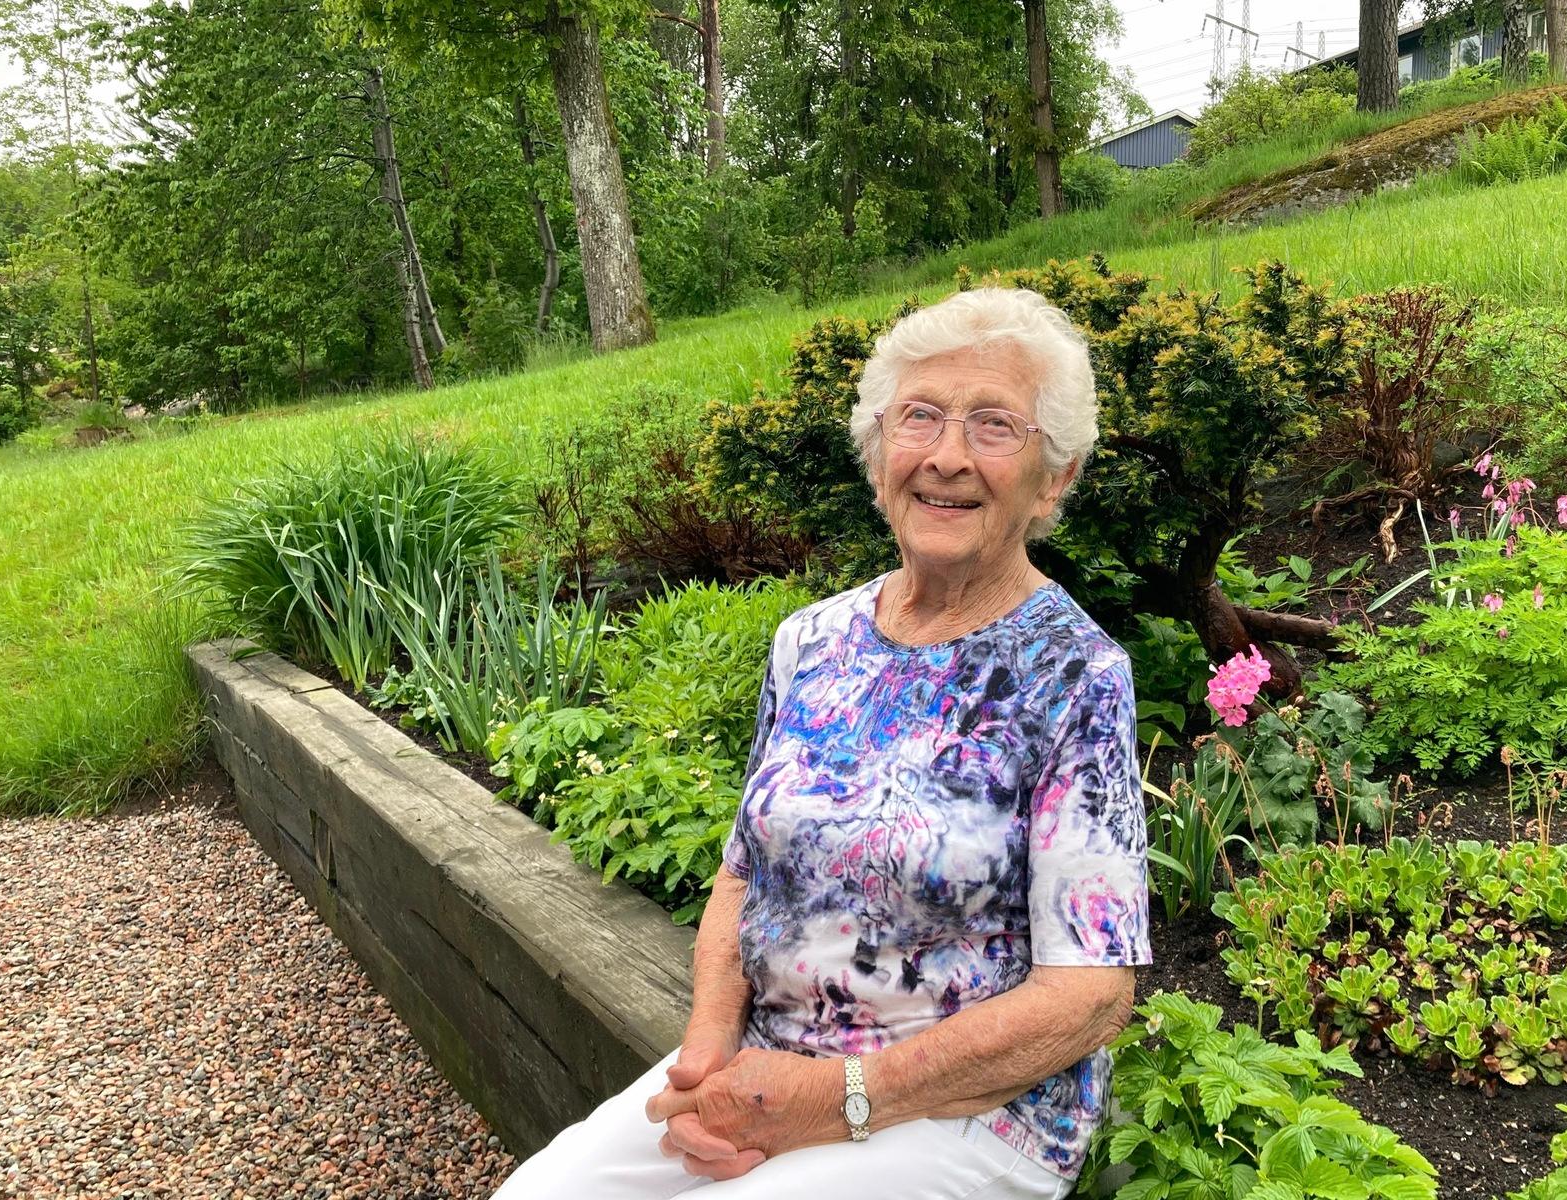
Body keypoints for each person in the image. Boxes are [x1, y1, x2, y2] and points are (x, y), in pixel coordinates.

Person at [491, 287, 1151, 1200]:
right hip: (766, 1065)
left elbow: (1092, 994)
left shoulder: (1076, 674)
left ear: (1056, 477)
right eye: (920, 417)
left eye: (995, 425)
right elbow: (740, 874)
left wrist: (838, 1100)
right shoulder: (812, 640)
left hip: (966, 1115)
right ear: (880, 450)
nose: (947, 457)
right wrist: (708, 1061)